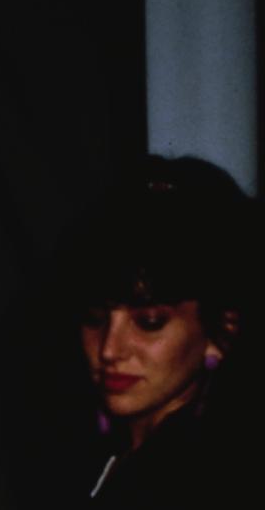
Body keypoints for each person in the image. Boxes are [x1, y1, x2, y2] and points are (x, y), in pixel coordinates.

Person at [56, 155, 257, 508]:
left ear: (221, 330)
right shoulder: (109, 455)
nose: (109, 349)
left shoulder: (210, 479)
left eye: (149, 323)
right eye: (95, 317)